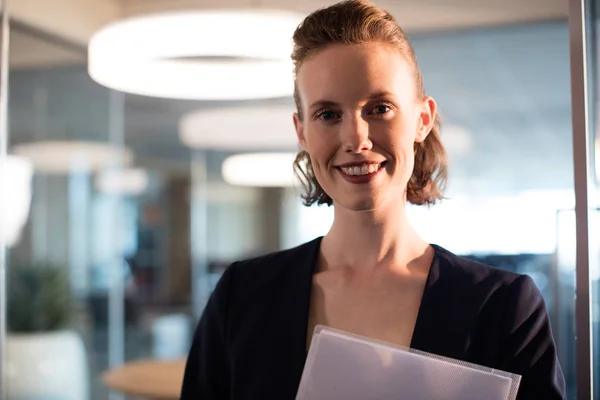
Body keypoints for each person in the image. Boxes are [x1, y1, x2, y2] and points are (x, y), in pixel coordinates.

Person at [180, 0, 566, 399]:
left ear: (422, 119)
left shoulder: (501, 306)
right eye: (328, 114)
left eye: (379, 108)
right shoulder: (243, 295)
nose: (357, 139)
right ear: (301, 132)